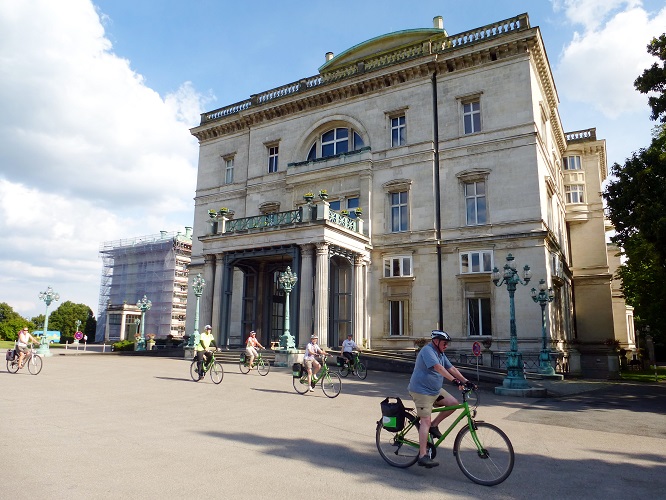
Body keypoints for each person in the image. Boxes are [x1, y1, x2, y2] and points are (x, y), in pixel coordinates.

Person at [408, 330, 474, 468]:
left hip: (435, 391)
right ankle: (422, 455)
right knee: (425, 420)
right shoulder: (428, 351)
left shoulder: (440, 353)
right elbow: (438, 368)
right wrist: (455, 381)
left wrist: (466, 381)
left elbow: (451, 368)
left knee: (453, 403)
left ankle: (434, 425)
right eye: (444, 343)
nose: (446, 346)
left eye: (447, 344)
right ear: (436, 341)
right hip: (421, 391)